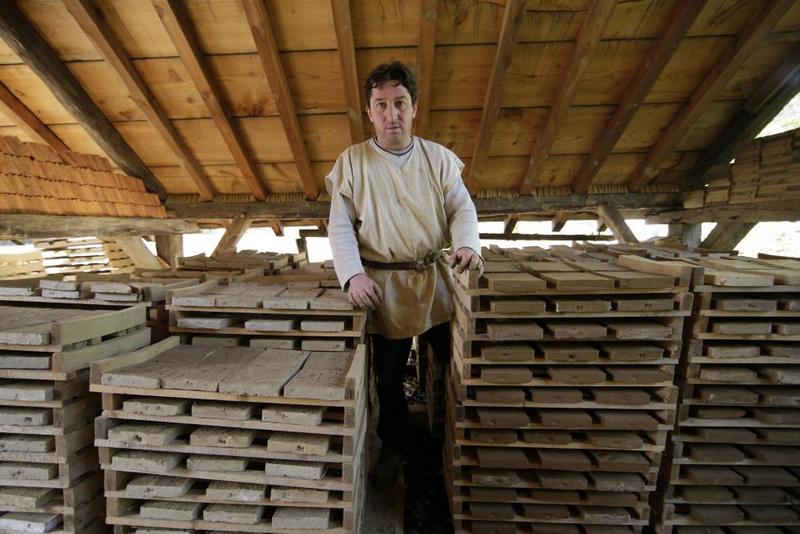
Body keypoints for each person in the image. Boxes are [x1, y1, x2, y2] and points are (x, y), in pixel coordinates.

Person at [325, 61, 482, 480]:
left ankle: (448, 443)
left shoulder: (439, 160)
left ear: (414, 108)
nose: (391, 114)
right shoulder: (352, 163)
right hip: (383, 287)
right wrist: (353, 275)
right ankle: (393, 447)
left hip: (435, 282)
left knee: (454, 364)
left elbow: (461, 208)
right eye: (381, 105)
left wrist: (466, 244)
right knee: (388, 378)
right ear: (369, 111)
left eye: (400, 103)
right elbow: (339, 226)